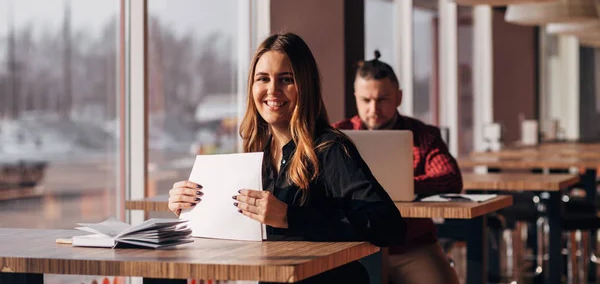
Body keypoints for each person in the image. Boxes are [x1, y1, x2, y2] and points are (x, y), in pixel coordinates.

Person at [168, 33, 406, 283]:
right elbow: (237, 230)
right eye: (263, 79)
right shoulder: (254, 153)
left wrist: (290, 216)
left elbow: (389, 224)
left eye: (286, 79)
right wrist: (191, 211)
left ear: (305, 87)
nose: (272, 90)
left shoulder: (330, 148)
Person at [333, 51, 463, 284]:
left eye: (382, 99)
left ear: (399, 97)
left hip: (411, 245)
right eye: (366, 100)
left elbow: (451, 178)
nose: (373, 108)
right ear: (355, 98)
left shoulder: (423, 135)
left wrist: (403, 186)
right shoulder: (336, 136)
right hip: (353, 247)